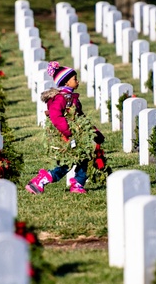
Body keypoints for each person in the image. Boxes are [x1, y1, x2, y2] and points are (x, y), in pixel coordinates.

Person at [26, 61, 102, 194]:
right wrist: (68, 132)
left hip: (76, 134)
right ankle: (41, 181)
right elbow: (56, 116)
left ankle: (78, 184)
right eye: (75, 79)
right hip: (66, 136)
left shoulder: (71, 98)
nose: (77, 81)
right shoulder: (61, 98)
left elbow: (80, 118)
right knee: (66, 163)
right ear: (66, 82)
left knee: (84, 157)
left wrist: (94, 132)